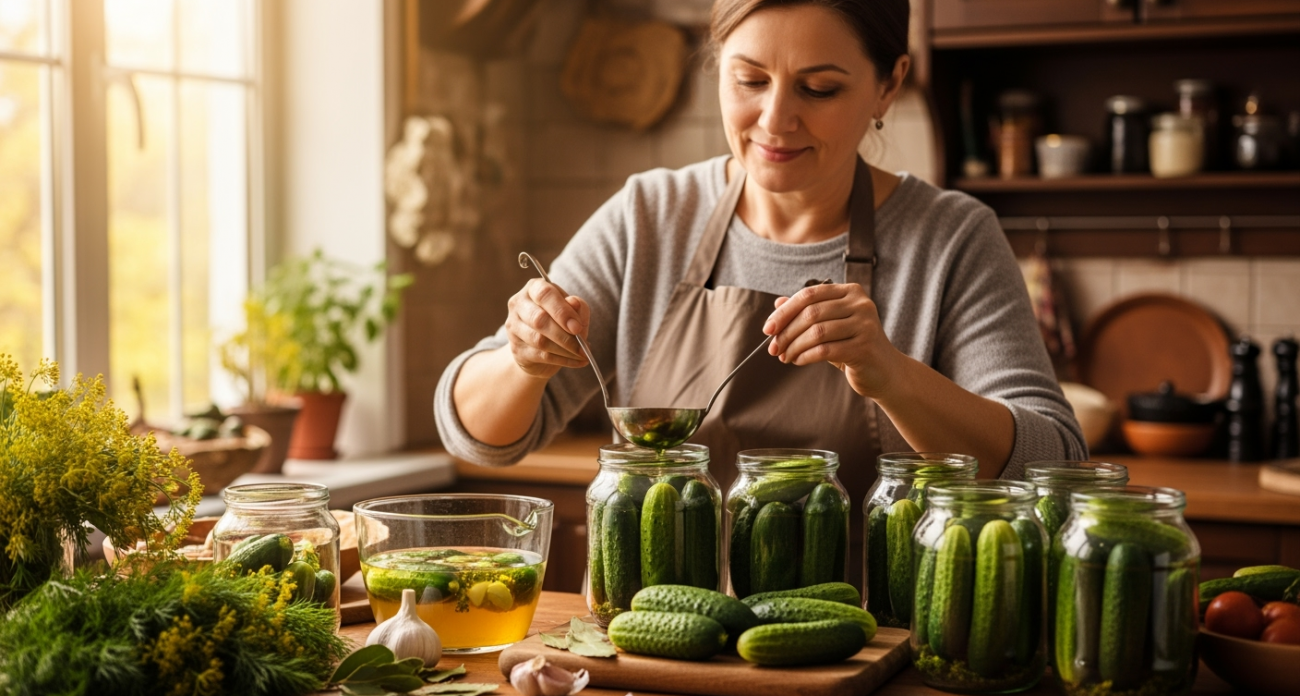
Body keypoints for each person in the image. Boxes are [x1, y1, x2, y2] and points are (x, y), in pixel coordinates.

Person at [435, 0, 1086, 496]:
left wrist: (894, 375)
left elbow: (1055, 461)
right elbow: (477, 437)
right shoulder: (650, 217)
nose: (776, 120)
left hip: (872, 652)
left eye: (819, 88)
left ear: (889, 84)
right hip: (661, 648)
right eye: (749, 80)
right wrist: (522, 361)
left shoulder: (951, 240)